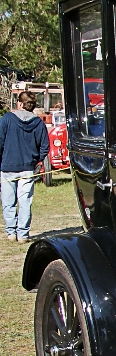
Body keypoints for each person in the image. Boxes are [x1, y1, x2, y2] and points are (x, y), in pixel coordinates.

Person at [0, 91, 49, 243]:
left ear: (19, 103)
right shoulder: (39, 123)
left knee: (8, 201)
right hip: (28, 168)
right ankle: (23, 234)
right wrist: (36, 161)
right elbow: (45, 146)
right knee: (25, 202)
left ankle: (11, 233)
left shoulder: (7, 119)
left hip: (8, 166)